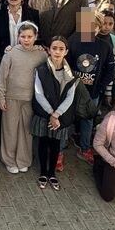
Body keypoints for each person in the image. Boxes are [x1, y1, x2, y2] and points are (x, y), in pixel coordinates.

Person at [0, 22, 47, 175]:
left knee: (26, 131)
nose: (26, 39)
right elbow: (1, 77)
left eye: (30, 37)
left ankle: (23, 160)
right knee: (10, 130)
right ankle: (9, 160)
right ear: (18, 37)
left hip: (31, 99)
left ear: (36, 37)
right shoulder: (10, 54)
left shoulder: (41, 54)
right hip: (11, 97)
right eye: (23, 36)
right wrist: (0, 97)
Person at [66, 8, 115, 163]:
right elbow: (65, 64)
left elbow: (110, 70)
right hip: (72, 90)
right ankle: (60, 148)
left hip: (92, 92)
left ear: (98, 27)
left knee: (88, 120)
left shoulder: (104, 46)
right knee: (66, 118)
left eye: (93, 26)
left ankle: (85, 148)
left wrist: (100, 87)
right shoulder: (73, 41)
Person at [31, 36, 79, 191]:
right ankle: (43, 172)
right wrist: (51, 113)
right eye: (54, 48)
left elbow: (70, 97)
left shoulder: (70, 73)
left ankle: (52, 173)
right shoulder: (41, 70)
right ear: (48, 50)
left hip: (60, 116)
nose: (57, 52)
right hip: (45, 114)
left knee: (56, 144)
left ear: (66, 51)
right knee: (43, 142)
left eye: (61, 49)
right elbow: (39, 94)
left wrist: (57, 114)